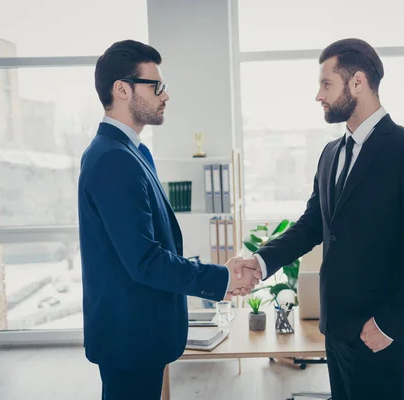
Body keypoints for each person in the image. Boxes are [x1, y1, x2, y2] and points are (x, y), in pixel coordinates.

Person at [233, 38, 404, 399]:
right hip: (336, 328)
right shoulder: (330, 153)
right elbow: (312, 225)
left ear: (357, 82)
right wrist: (260, 262)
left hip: (377, 331)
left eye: (326, 84)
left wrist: (390, 323)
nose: (318, 96)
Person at [78, 40, 260, 400]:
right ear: (122, 89)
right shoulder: (113, 159)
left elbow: (151, 246)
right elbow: (144, 260)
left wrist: (219, 275)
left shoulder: (133, 151)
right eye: (156, 85)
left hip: (139, 333)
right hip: (129, 338)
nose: (166, 95)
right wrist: (221, 279)